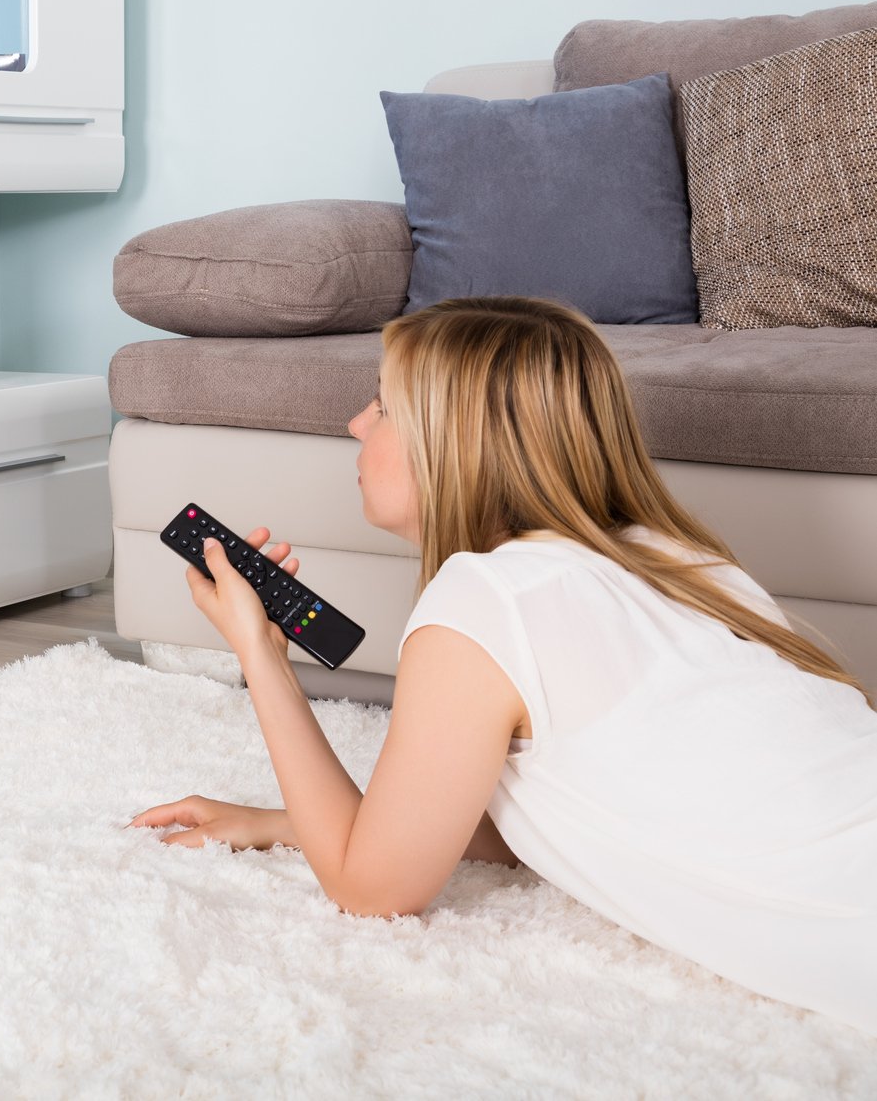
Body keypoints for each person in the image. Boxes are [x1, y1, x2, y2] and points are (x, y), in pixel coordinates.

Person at [128, 295, 877, 1035]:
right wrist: (284, 824)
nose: (355, 424)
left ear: (455, 441)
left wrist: (260, 655)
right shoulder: (683, 561)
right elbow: (546, 804)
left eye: (381, 407)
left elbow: (371, 889)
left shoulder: (484, 599)